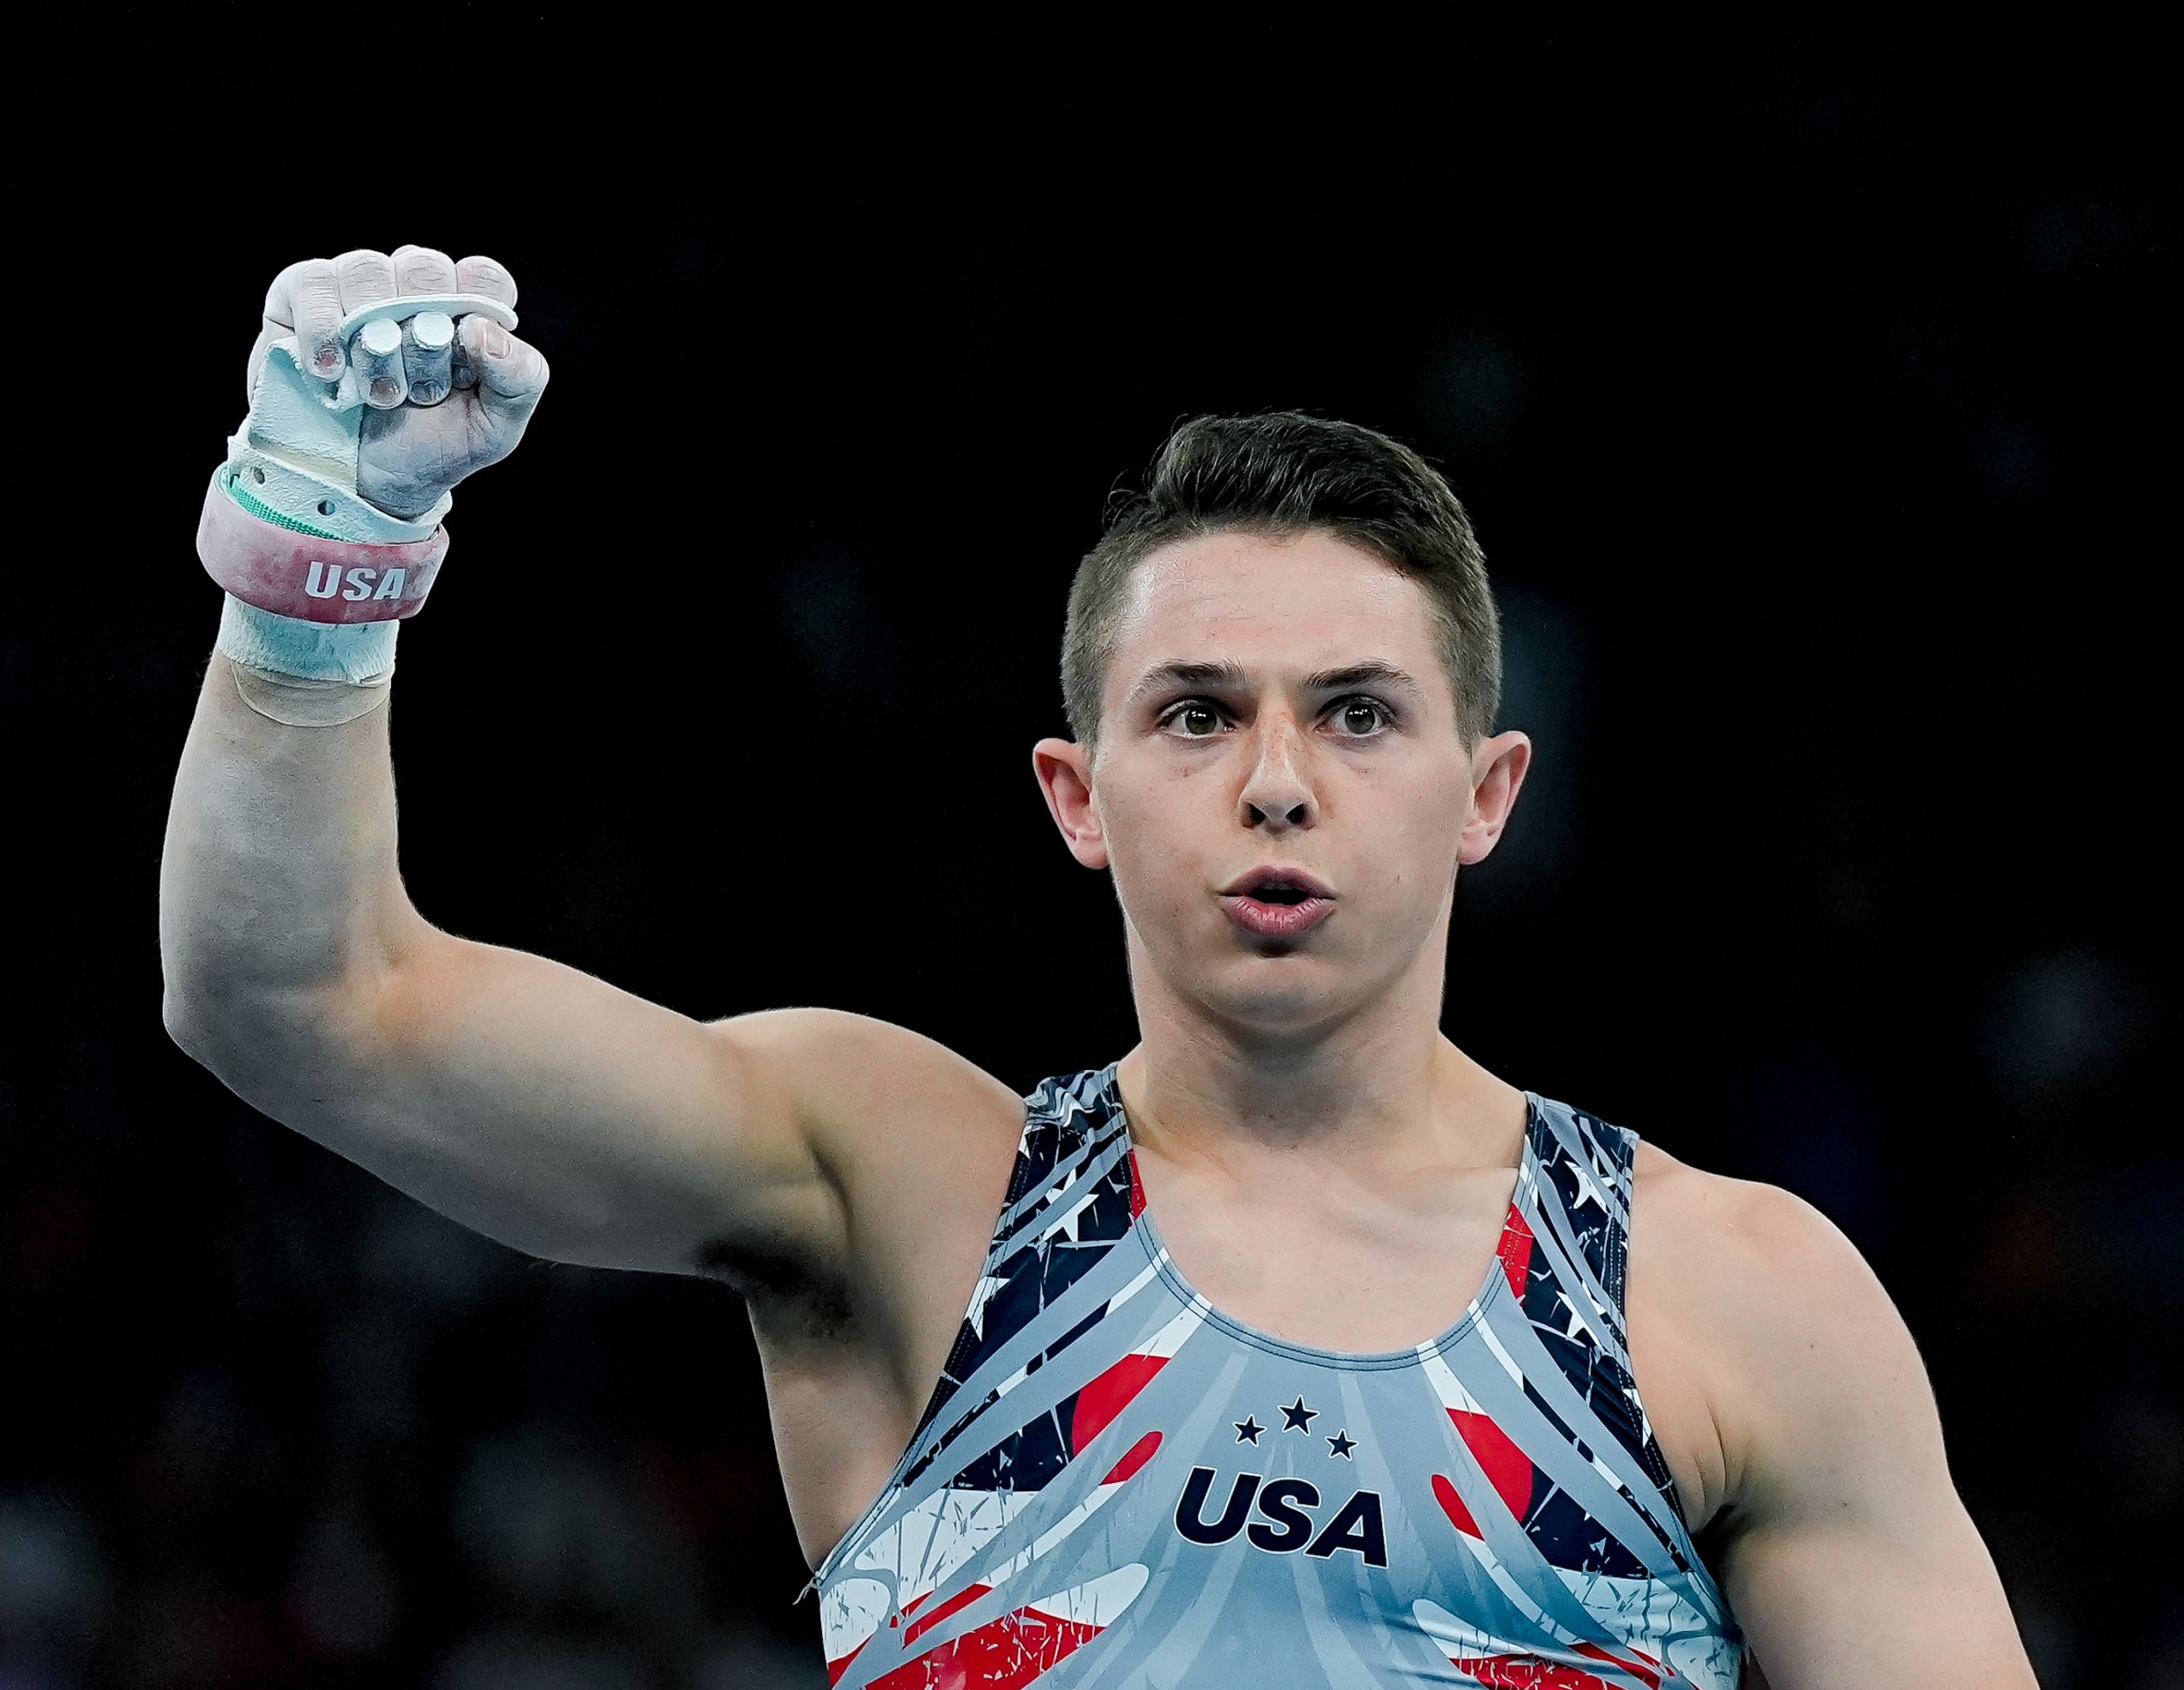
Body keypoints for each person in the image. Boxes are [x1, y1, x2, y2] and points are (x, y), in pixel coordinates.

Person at [160, 246, 2038, 1688]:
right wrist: (316, 571)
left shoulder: (1743, 1298)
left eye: (1360, 715)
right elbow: (300, 999)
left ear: (1488, 789)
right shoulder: (906, 1183)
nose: (1280, 781)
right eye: (1199, 712)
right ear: (1079, 791)